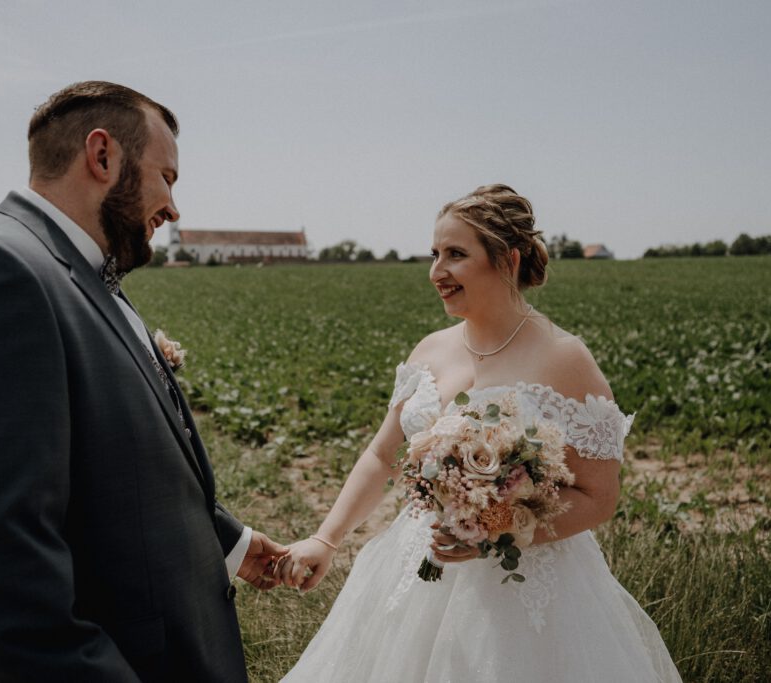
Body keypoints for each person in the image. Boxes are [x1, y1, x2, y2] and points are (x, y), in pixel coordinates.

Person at [0, 81, 287, 682]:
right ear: (102, 156)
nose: (173, 208)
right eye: (167, 177)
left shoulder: (79, 275)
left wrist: (232, 543)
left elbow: (104, 467)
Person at [277, 184, 682, 681]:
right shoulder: (429, 350)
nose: (436, 272)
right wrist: (327, 538)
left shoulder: (564, 358)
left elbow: (599, 496)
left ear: (507, 260)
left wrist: (501, 529)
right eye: (434, 254)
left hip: (523, 587)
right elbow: (383, 455)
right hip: (419, 565)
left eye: (455, 255)